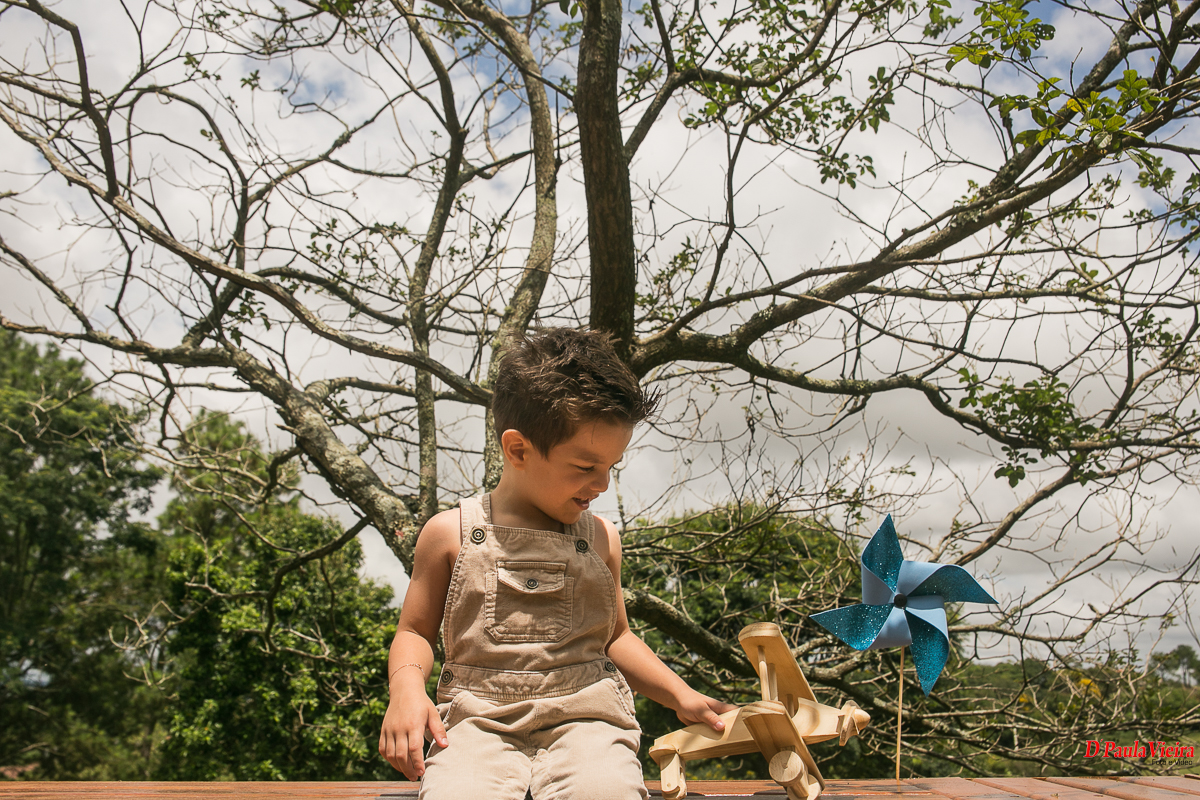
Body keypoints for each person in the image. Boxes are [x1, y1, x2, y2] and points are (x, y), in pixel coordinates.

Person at [378, 327, 736, 799]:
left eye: (612, 466)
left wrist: (681, 695)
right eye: (587, 467)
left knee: (605, 792)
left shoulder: (602, 539)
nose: (603, 483)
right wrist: (405, 689)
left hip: (587, 719)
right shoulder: (451, 533)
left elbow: (617, 637)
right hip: (476, 723)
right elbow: (414, 632)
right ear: (519, 449)